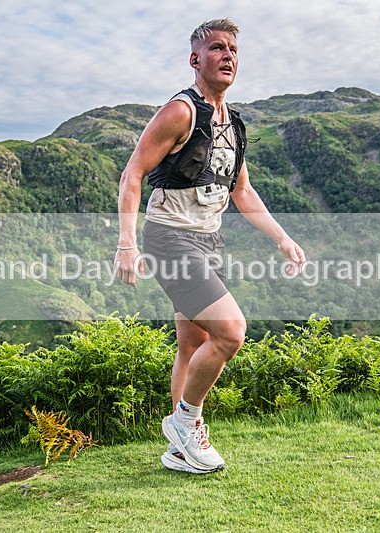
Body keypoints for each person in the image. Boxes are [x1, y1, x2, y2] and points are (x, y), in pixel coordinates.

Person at [115, 18, 306, 474]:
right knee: (231, 332)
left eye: (233, 50)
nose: (228, 56)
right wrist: (126, 243)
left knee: (192, 343)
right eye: (217, 48)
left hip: (208, 240)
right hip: (169, 237)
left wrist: (282, 238)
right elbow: (132, 174)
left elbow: (243, 191)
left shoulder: (234, 125)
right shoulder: (180, 112)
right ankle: (186, 421)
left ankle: (179, 450)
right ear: (195, 59)